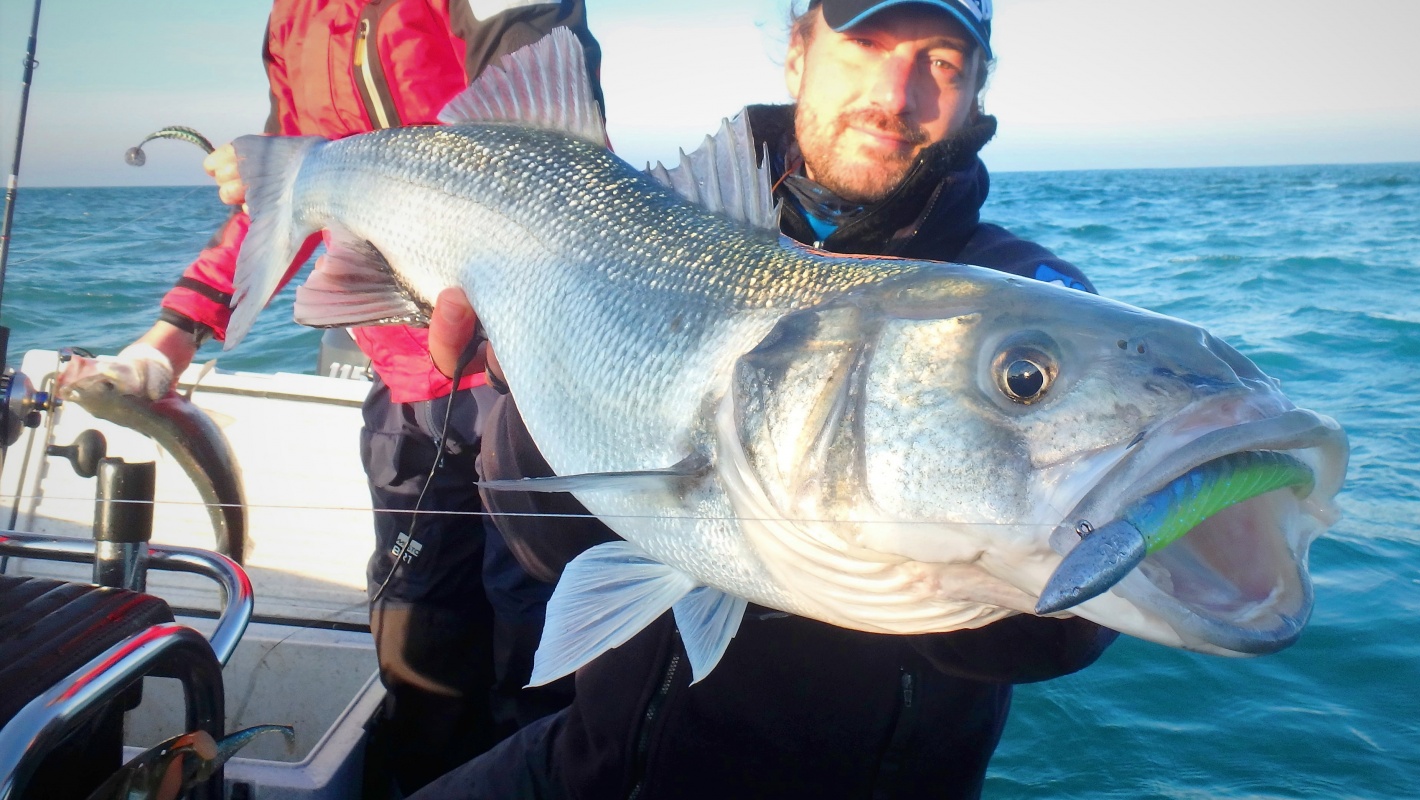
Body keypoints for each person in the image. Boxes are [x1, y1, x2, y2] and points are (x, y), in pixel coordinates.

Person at [414, 1, 1114, 797]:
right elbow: (546, 548)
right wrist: (525, 377)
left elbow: (1056, 641)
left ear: (979, 92)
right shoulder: (639, 226)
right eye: (864, 46)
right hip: (589, 765)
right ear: (797, 55)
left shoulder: (1026, 304)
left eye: (943, 63)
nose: (895, 90)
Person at [65, 1, 603, 793]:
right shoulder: (293, 23)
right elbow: (286, 195)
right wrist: (170, 337)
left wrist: (319, 164)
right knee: (418, 642)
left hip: (526, 378)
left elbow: (544, 134)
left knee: (540, 639)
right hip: (401, 384)